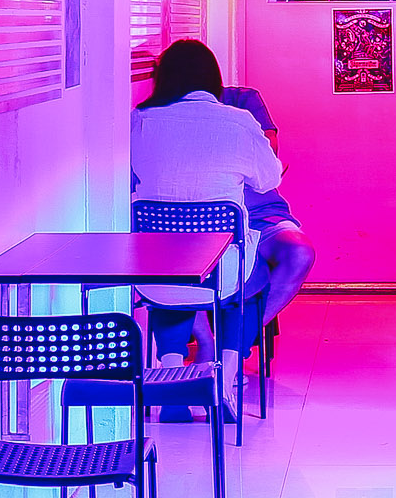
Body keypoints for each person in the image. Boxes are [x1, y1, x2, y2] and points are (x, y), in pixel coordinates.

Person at [131, 41, 286, 377]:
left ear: (163, 79)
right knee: (249, 284)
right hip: (225, 274)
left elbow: (125, 179)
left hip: (154, 273)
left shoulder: (138, 121)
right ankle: (226, 375)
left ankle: (171, 370)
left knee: (170, 278)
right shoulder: (239, 121)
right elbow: (268, 179)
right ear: (214, 79)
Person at [216, 83, 317, 318]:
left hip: (258, 213)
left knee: (298, 252)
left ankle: (246, 331)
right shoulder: (148, 120)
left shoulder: (239, 104)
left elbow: (269, 152)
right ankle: (215, 337)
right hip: (198, 229)